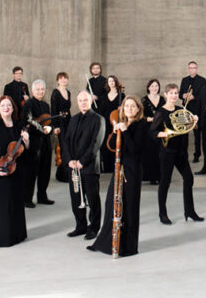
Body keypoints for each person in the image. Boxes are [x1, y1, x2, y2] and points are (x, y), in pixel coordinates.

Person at [88, 96, 146, 257]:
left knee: (129, 206)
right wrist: (115, 132)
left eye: (133, 106)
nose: (129, 109)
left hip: (133, 170)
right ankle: (107, 242)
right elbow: (112, 147)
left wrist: (126, 131)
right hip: (119, 168)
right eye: (127, 106)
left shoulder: (141, 125)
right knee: (111, 204)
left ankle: (128, 247)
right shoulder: (120, 124)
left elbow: (135, 150)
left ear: (138, 109)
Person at [150, 84, 203, 225]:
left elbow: (188, 127)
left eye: (176, 93)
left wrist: (194, 121)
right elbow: (152, 132)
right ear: (166, 95)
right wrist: (163, 133)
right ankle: (162, 213)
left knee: (189, 178)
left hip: (181, 151)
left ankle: (190, 211)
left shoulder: (181, 110)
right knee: (165, 182)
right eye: (171, 93)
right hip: (167, 152)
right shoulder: (160, 112)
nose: (174, 95)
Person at [0, 96, 29, 247]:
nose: (6, 107)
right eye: (3, 105)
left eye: (9, 105)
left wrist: (26, 141)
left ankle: (18, 235)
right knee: (2, 206)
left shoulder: (19, 126)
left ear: (13, 108)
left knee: (16, 204)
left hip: (16, 171)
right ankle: (4, 238)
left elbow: (24, 151)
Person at [62, 91, 105, 240]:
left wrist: (82, 162)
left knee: (92, 199)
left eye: (85, 100)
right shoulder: (73, 119)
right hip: (73, 165)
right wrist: (69, 160)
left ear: (91, 101)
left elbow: (95, 144)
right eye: (80, 100)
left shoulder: (99, 119)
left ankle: (93, 228)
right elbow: (66, 141)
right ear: (77, 102)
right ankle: (80, 226)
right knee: (76, 198)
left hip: (89, 166)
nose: (83, 103)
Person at [22, 80, 57, 207]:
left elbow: (50, 121)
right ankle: (27, 198)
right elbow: (27, 121)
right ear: (32, 91)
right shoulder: (28, 104)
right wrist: (42, 129)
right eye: (38, 89)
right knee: (31, 172)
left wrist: (51, 128)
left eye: (42, 89)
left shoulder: (46, 105)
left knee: (45, 170)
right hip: (34, 142)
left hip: (46, 142)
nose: (40, 91)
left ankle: (42, 196)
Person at [179, 61, 206, 163]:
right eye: (190, 68)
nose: (192, 69)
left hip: (197, 109)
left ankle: (197, 155)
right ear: (188, 69)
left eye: (194, 68)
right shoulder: (184, 80)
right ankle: (184, 154)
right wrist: (184, 96)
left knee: (197, 134)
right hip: (186, 109)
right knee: (184, 133)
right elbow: (180, 93)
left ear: (197, 69)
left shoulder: (202, 80)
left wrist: (194, 97)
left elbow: (203, 95)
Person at [98, 75, 125, 173]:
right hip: (106, 122)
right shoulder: (104, 96)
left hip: (116, 122)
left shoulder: (122, 95)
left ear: (116, 82)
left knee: (116, 143)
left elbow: (125, 110)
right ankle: (107, 166)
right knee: (105, 144)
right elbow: (100, 111)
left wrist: (121, 109)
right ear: (107, 83)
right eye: (110, 81)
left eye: (113, 81)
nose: (112, 83)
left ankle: (116, 165)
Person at [141, 79, 164, 185]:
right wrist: (148, 119)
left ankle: (160, 176)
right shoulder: (144, 100)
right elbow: (140, 115)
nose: (154, 88)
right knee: (149, 153)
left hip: (160, 128)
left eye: (156, 86)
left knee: (159, 153)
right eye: (152, 86)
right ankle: (151, 176)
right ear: (148, 88)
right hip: (148, 129)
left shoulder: (163, 99)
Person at [50, 72, 71, 183]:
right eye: (61, 78)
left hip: (68, 121)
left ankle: (66, 171)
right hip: (60, 122)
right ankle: (62, 174)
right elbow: (53, 110)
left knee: (69, 146)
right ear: (58, 80)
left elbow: (68, 110)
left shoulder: (68, 92)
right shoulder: (55, 93)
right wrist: (55, 126)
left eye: (65, 78)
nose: (63, 80)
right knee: (63, 147)